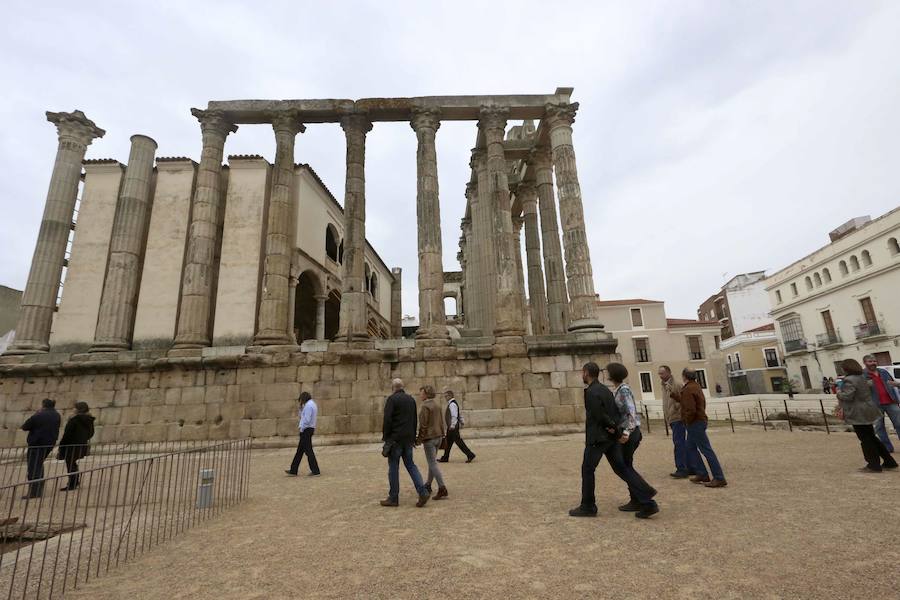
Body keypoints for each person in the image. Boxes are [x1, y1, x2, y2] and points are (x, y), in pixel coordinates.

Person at [569, 362, 659, 519]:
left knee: (588, 469)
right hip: (610, 439)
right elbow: (614, 414)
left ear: (586, 373)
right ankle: (647, 499)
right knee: (621, 468)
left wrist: (615, 430)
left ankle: (588, 505)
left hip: (598, 438)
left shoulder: (591, 392)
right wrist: (615, 433)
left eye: (582, 373)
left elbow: (599, 415)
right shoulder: (605, 390)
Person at [608, 363, 656, 514]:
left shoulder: (624, 390)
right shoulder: (617, 390)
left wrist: (626, 433)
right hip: (626, 431)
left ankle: (645, 495)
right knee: (626, 465)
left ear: (613, 374)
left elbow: (631, 412)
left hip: (629, 433)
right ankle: (637, 499)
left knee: (624, 466)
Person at [837, 358, 897, 472]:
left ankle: (873, 465)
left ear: (846, 368)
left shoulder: (849, 380)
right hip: (868, 409)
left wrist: (839, 393)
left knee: (865, 439)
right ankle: (889, 461)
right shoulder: (863, 377)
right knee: (871, 437)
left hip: (858, 412)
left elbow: (848, 396)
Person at [381, 379, 430, 508]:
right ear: (403, 387)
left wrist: (386, 437)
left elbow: (387, 420)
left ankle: (393, 497)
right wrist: (413, 437)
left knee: (393, 468)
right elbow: (414, 419)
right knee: (411, 465)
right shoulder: (411, 400)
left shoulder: (392, 400)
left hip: (395, 439)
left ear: (393, 387)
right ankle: (423, 491)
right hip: (408, 439)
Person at [681, 369, 727, 488]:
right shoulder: (696, 386)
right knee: (690, 447)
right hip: (699, 420)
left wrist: (687, 421)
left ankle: (719, 477)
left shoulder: (688, 389)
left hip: (694, 422)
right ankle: (702, 473)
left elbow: (690, 409)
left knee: (706, 449)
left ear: (684, 376)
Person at [21, 398, 61, 499]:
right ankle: (38, 489)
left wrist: (36, 414)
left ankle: (34, 491)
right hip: (49, 444)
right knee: (38, 464)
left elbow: (25, 426)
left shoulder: (39, 415)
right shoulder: (56, 415)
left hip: (37, 444)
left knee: (33, 467)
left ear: (43, 405)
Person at [659, 365, 692, 478]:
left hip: (677, 418)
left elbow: (682, 400)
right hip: (671, 418)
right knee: (681, 443)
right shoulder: (664, 386)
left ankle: (682, 468)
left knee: (679, 443)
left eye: (662, 373)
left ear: (668, 372)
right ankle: (689, 466)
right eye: (659, 373)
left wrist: (675, 409)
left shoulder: (676, 385)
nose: (660, 376)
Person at [862, 354, 900, 452]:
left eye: (874, 361)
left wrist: (896, 385)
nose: (873, 363)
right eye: (870, 361)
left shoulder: (883, 371)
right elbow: (860, 390)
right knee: (879, 427)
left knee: (899, 424)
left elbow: (893, 383)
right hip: (874, 405)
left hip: (891, 402)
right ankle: (887, 448)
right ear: (865, 363)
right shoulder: (862, 375)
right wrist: (866, 385)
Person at [416, 385, 448, 500]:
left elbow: (423, 426)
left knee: (432, 463)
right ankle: (428, 484)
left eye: (421, 393)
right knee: (432, 463)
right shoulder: (437, 405)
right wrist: (443, 435)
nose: (420, 395)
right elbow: (441, 422)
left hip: (429, 438)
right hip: (439, 436)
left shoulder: (425, 407)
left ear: (426, 394)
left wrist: (419, 439)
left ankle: (442, 487)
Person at [57, 401, 95, 491]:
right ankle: (75, 481)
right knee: (72, 463)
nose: (73, 409)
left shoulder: (74, 420)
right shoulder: (89, 420)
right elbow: (91, 433)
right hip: (81, 445)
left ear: (78, 409)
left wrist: (62, 445)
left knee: (70, 464)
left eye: (74, 407)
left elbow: (67, 434)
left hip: (71, 445)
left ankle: (72, 483)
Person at [285, 392, 320, 477]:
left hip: (306, 430)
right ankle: (293, 470)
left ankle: (315, 470)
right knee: (299, 451)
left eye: (301, 400)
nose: (301, 402)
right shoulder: (312, 404)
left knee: (308, 451)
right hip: (309, 429)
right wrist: (301, 409)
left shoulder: (308, 406)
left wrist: (302, 428)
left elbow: (306, 419)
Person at [438, 389, 475, 463]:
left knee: (459, 442)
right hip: (452, 426)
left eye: (446, 396)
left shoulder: (452, 404)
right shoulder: (453, 404)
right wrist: (461, 421)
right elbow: (459, 414)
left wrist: (453, 425)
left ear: (450, 396)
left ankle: (470, 454)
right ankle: (445, 457)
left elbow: (454, 415)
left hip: (452, 427)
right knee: (448, 443)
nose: (445, 398)